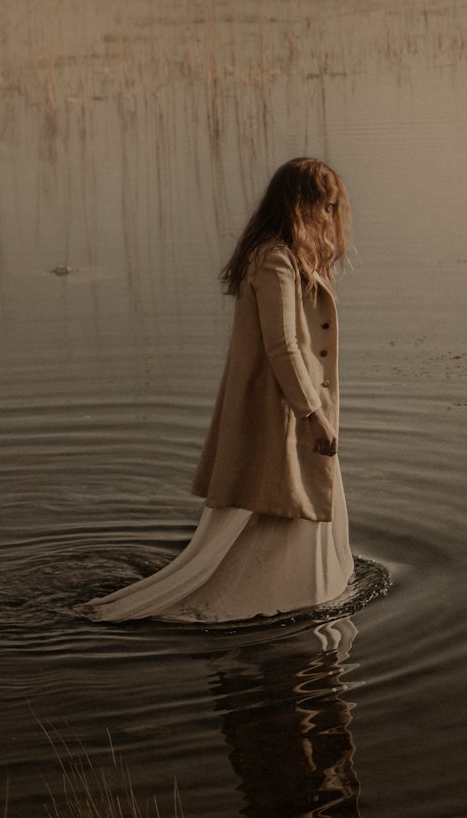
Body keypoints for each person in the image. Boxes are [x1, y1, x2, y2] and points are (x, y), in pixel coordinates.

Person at [91, 158, 355, 624]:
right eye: (322, 207)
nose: (329, 218)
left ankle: (286, 591)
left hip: (296, 405)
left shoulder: (290, 255)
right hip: (285, 409)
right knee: (281, 503)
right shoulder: (274, 257)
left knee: (286, 506)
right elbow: (282, 345)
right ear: (298, 206)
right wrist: (313, 413)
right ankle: (263, 598)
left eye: (334, 207)